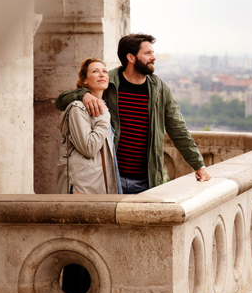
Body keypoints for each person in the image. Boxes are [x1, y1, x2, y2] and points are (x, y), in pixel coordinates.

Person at [55, 33, 210, 194]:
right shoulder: (109, 82)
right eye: (147, 53)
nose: (153, 58)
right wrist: (82, 94)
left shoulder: (160, 89)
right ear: (131, 57)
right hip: (111, 177)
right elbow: (61, 101)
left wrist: (199, 165)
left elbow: (178, 130)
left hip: (147, 179)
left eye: (153, 52)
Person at [56, 58, 122, 195]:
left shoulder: (106, 104)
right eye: (95, 71)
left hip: (102, 184)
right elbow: (89, 148)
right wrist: (104, 115)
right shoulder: (78, 108)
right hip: (83, 187)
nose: (102, 74)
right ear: (84, 80)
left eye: (104, 71)